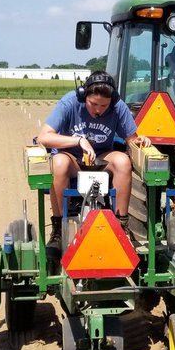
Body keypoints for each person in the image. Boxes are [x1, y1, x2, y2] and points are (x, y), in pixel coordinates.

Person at [39, 71, 150, 247]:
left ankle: (121, 225)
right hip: (72, 158)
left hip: (101, 159)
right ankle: (59, 228)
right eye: (93, 104)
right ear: (84, 96)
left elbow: (131, 139)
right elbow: (44, 137)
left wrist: (140, 140)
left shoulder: (118, 107)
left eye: (104, 106)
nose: (98, 110)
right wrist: (79, 140)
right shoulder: (70, 102)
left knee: (123, 161)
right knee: (58, 163)